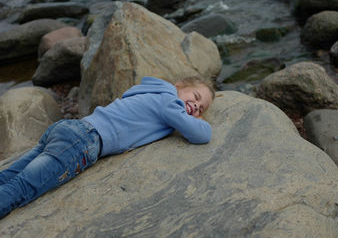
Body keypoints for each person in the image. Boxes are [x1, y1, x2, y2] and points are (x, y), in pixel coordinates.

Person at [0, 76, 215, 218]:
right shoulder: (169, 102)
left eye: (200, 108)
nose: (195, 106)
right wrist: (201, 119)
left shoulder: (149, 91)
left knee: (10, 175)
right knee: (23, 188)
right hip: (83, 142)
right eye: (195, 97)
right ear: (179, 86)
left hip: (69, 128)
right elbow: (201, 134)